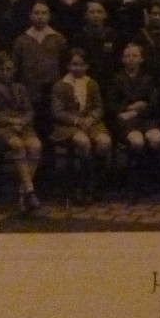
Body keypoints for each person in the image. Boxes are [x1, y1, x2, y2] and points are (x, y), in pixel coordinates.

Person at [0, 51, 43, 214]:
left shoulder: (20, 88)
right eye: (2, 70)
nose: (6, 73)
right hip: (0, 128)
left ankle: (23, 193)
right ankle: (30, 191)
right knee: (17, 145)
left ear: (14, 70)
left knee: (35, 145)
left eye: (9, 69)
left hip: (22, 126)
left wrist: (23, 121)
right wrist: (10, 121)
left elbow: (29, 110)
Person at [50, 47, 112, 204]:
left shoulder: (92, 83)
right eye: (74, 64)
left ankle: (95, 183)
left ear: (87, 66)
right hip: (68, 125)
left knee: (104, 142)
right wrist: (77, 121)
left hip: (90, 123)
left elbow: (99, 106)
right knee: (82, 141)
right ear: (68, 66)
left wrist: (91, 118)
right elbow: (58, 112)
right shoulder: (60, 85)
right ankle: (81, 184)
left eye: (81, 64)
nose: (78, 68)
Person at [107, 43, 160, 201]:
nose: (131, 59)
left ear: (141, 59)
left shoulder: (148, 79)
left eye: (135, 56)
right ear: (122, 59)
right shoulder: (117, 79)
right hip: (125, 122)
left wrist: (138, 110)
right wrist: (130, 108)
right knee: (137, 141)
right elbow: (112, 104)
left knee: (155, 139)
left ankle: (151, 180)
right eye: (127, 56)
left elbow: (154, 104)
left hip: (146, 119)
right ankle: (135, 184)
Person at [11, 1, 68, 141]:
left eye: (44, 13)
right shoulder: (21, 40)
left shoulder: (58, 38)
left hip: (51, 91)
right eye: (36, 13)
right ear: (30, 16)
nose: (40, 16)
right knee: (31, 130)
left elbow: (64, 64)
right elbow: (15, 67)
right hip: (29, 90)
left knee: (49, 131)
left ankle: (48, 162)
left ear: (49, 16)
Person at [75, 0, 119, 88]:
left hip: (108, 79)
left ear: (105, 15)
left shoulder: (112, 35)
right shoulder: (79, 36)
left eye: (99, 12)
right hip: (85, 78)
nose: (96, 15)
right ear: (86, 15)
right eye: (92, 12)